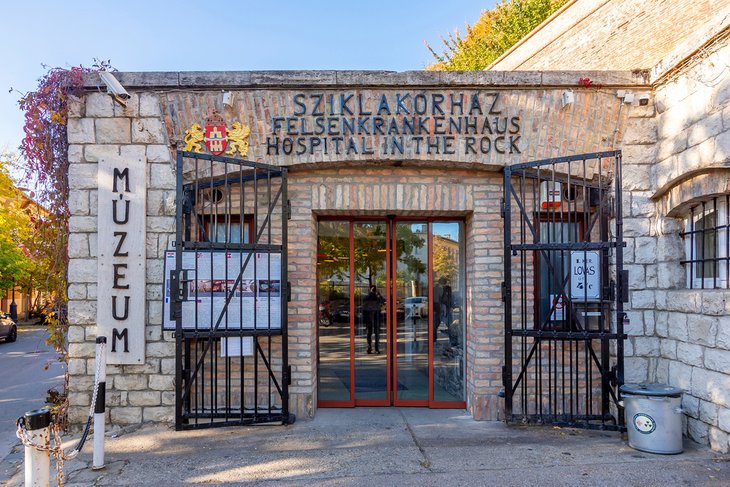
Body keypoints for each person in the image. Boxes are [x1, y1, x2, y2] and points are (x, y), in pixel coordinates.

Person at [363, 285, 384, 354]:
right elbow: (383, 301)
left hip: (369, 318)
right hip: (376, 317)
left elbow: (364, 308)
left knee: (369, 333)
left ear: (370, 289)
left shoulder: (366, 297)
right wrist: (379, 294)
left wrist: (364, 319)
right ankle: (376, 348)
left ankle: (369, 348)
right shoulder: (377, 297)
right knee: (377, 333)